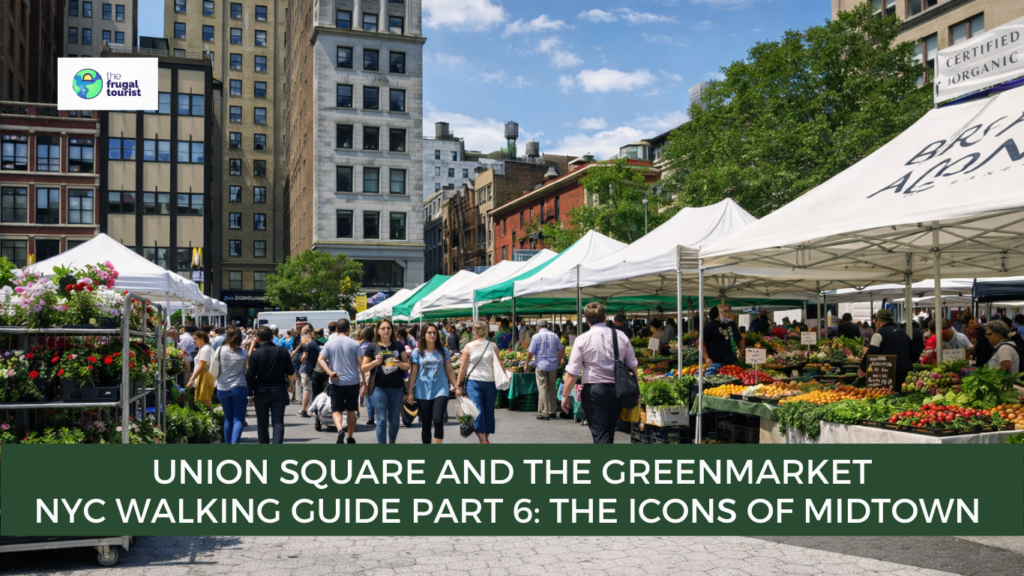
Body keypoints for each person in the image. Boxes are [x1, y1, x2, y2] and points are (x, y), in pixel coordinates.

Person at [560, 302, 639, 444]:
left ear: (587, 320)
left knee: (600, 433)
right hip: (617, 391)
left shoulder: (582, 339)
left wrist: (565, 395)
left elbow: (572, 372)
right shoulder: (621, 336)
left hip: (594, 391)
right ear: (605, 317)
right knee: (608, 431)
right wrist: (636, 390)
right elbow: (633, 366)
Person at [363, 318, 411, 444]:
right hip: (378, 387)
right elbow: (363, 368)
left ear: (392, 330)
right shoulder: (372, 346)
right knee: (381, 419)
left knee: (394, 421)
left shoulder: (398, 345)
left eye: (388, 328)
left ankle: (392, 442)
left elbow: (407, 366)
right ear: (378, 330)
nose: (386, 331)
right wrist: (375, 362)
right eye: (383, 328)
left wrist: (399, 363)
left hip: (397, 387)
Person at [245, 326, 295, 444]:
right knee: (278, 422)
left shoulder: (255, 355)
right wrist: (290, 386)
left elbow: (250, 375)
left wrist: (250, 393)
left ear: (258, 338)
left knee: (262, 423)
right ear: (272, 337)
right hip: (279, 389)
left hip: (261, 391)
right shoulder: (282, 351)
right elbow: (290, 372)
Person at [409, 324, 458, 444]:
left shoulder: (443, 350)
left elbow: (449, 369)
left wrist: (456, 386)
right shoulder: (417, 352)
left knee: (437, 420)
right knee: (426, 423)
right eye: (429, 333)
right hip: (422, 390)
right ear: (423, 335)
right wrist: (410, 391)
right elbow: (413, 373)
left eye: (434, 333)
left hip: (440, 388)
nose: (432, 335)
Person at [318, 319, 364, 443]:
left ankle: (339, 430)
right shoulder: (355, 344)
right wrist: (364, 381)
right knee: (351, 411)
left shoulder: (329, 343)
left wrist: (329, 372)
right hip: (353, 382)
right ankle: (349, 436)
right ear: (349, 329)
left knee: (336, 410)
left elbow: (320, 359)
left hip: (336, 381)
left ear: (336, 329)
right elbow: (361, 364)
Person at [456, 320, 499, 444]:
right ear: (486, 332)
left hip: (489, 382)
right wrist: (458, 384)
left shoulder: (491, 345)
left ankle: (485, 437)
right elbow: (463, 367)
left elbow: (498, 364)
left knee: (489, 411)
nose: (473, 332)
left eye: (474, 330)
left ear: (476, 331)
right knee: (477, 410)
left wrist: (458, 385)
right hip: (474, 382)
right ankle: (482, 439)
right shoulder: (470, 346)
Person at [858, 309, 914, 392]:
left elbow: (871, 355)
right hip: (906, 376)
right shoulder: (903, 333)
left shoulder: (878, 334)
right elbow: (914, 354)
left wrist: (862, 367)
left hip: (888, 377)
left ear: (879, 321)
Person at [214, 327, 248, 444]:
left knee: (228, 418)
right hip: (239, 386)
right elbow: (248, 370)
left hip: (222, 387)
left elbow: (213, 366)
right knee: (238, 418)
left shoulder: (219, 350)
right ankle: (234, 443)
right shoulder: (243, 353)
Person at [526, 319, 565, 421]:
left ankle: (545, 413)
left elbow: (530, 352)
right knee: (552, 389)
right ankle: (552, 412)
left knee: (542, 389)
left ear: (537, 327)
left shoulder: (536, 337)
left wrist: (526, 364)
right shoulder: (554, 336)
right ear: (547, 326)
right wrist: (560, 360)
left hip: (541, 366)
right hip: (553, 366)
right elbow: (561, 349)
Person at [185, 331, 215, 409]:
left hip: (204, 377)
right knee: (205, 401)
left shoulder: (205, 349)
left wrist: (191, 379)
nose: (194, 341)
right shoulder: (205, 348)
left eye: (195, 338)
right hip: (204, 376)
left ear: (202, 338)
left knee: (204, 401)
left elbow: (201, 367)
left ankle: (209, 417)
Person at [296, 327, 320, 418]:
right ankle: (311, 408)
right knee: (310, 389)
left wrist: (301, 358)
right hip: (314, 369)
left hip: (306, 369)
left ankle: (304, 410)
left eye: (302, 334)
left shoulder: (307, 345)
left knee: (306, 389)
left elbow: (304, 357)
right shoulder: (315, 344)